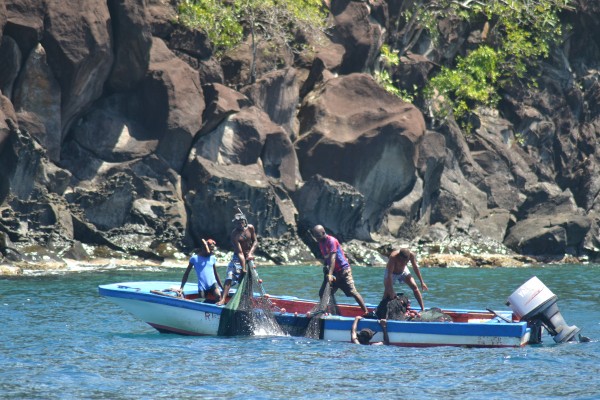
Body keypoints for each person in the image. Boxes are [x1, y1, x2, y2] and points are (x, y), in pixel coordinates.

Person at [312, 224, 368, 314]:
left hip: (343, 270)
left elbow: (333, 258)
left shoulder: (331, 241)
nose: (317, 238)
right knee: (323, 293)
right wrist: (325, 267)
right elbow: (326, 257)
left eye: (318, 236)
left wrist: (330, 274)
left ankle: (366, 312)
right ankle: (324, 312)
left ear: (323, 232)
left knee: (352, 292)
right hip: (333, 272)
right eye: (315, 236)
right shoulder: (320, 243)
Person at [216, 211, 258, 306]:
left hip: (249, 257)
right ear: (234, 224)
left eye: (241, 222)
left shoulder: (250, 228)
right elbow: (239, 253)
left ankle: (248, 300)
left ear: (244, 221)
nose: (240, 224)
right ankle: (223, 299)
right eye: (237, 223)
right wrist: (243, 268)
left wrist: (250, 253)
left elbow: (255, 241)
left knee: (249, 279)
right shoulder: (234, 234)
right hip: (237, 257)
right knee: (230, 276)